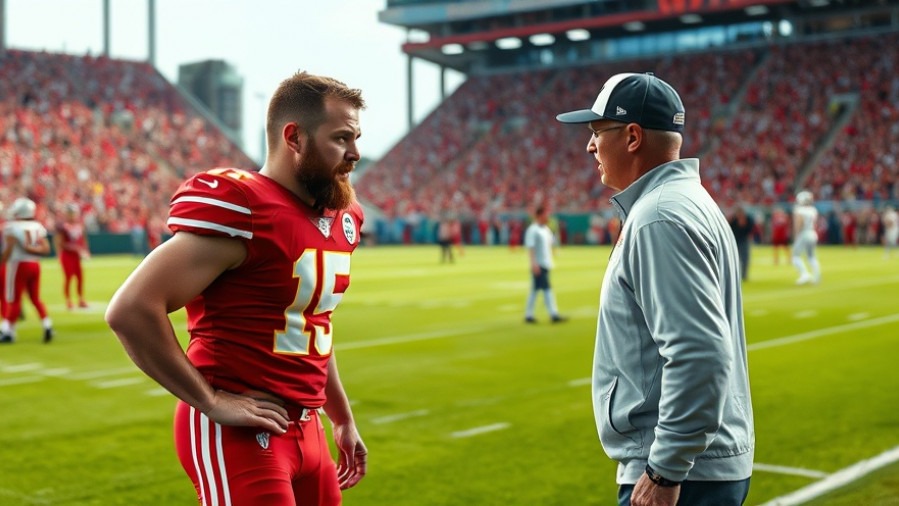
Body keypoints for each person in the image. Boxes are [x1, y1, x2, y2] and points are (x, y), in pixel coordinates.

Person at [105, 71, 368, 505]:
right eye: (341, 138)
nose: (355, 153)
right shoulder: (244, 206)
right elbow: (131, 310)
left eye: (356, 137)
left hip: (307, 425)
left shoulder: (342, 218)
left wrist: (340, 416)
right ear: (294, 137)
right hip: (239, 432)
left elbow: (310, 322)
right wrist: (208, 400)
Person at [556, 72, 754, 506]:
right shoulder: (686, 201)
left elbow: (699, 351)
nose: (590, 145)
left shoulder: (660, 216)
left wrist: (665, 470)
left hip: (682, 475)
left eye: (596, 132)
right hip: (699, 467)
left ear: (631, 136)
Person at [1, 197, 54, 344]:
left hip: (18, 265)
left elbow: (8, 251)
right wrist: (31, 249)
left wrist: (3, 261)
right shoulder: (37, 226)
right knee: (35, 298)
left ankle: (8, 331)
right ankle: (47, 325)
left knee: (14, 299)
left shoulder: (11, 227)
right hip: (35, 265)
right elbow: (46, 249)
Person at [523, 204, 567, 324]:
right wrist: (533, 264)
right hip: (539, 264)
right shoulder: (533, 229)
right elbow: (531, 248)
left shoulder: (546, 229)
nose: (548, 216)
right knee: (547, 288)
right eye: (545, 214)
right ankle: (553, 314)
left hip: (546, 263)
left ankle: (528, 314)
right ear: (539, 215)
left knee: (535, 290)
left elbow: (551, 243)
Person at [54, 203, 91, 309]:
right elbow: (60, 242)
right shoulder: (63, 226)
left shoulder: (79, 225)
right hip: (67, 255)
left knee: (80, 277)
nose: (72, 215)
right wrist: (77, 249)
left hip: (76, 256)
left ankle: (81, 299)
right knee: (68, 277)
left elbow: (83, 239)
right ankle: (68, 300)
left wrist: (85, 250)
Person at [791, 190, 821, 285]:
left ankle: (804, 274)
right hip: (812, 233)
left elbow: (799, 223)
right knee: (811, 256)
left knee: (795, 256)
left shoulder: (799, 210)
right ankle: (817, 276)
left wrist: (796, 235)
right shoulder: (813, 210)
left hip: (804, 233)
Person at [728, 205, 755, 281]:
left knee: (745, 259)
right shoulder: (733, 220)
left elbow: (750, 228)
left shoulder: (748, 219)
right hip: (735, 241)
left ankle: (744, 275)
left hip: (744, 240)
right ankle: (735, 275)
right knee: (734, 259)